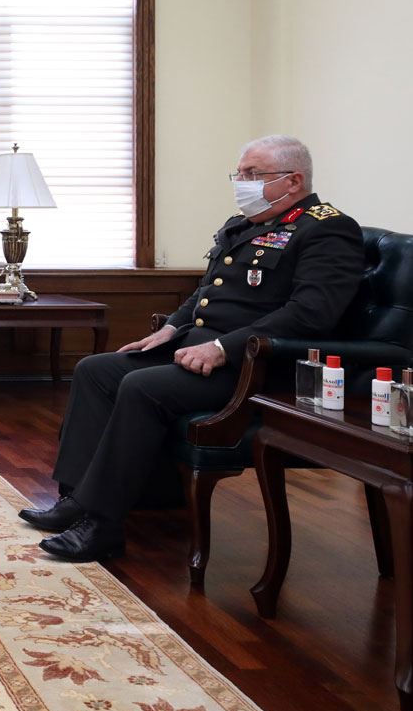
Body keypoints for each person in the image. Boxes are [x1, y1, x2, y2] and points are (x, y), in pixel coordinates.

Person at [20, 135, 363, 562]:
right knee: (96, 369)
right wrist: (171, 328)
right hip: (198, 349)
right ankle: (76, 500)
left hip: (256, 366)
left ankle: (102, 525)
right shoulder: (247, 223)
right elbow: (206, 291)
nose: (242, 183)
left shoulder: (327, 229)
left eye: (253, 174)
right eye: (240, 174)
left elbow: (311, 314)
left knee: (142, 387)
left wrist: (223, 347)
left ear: (293, 181)